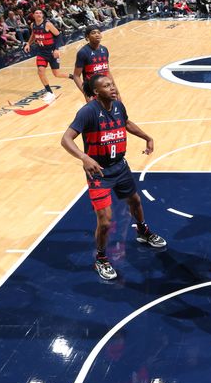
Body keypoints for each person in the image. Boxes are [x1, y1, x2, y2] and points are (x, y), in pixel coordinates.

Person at [60, 74, 167, 280]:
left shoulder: (118, 105)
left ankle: (143, 231)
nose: (112, 87)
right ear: (96, 92)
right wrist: (84, 157)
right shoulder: (88, 112)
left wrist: (147, 137)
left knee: (135, 201)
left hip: (120, 166)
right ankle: (101, 258)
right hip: (98, 172)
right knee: (106, 221)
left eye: (112, 84)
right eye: (106, 86)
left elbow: (126, 123)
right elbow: (66, 139)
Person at [24, 9, 72, 102]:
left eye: (40, 13)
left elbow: (58, 35)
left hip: (52, 51)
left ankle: (73, 77)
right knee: (40, 71)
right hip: (41, 52)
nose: (38, 14)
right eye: (36, 13)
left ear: (42, 15)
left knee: (56, 74)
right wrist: (28, 44)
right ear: (33, 15)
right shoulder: (33, 25)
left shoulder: (47, 24)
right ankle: (50, 92)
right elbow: (34, 35)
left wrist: (57, 49)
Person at [72, 26, 119, 102]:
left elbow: (108, 72)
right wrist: (86, 94)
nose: (97, 35)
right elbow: (76, 76)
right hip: (93, 92)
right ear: (87, 37)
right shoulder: (83, 53)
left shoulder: (104, 50)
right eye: (93, 33)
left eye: (98, 33)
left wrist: (116, 91)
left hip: (107, 89)